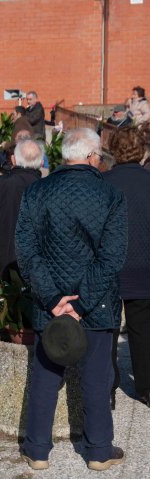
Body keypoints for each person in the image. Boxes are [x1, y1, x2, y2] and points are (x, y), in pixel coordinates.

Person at [15, 128, 127, 471]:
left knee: (46, 375)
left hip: (53, 303)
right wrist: (79, 304)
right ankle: (98, 451)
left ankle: (37, 450)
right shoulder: (110, 195)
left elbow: (26, 251)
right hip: (96, 303)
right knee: (97, 376)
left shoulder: (36, 192)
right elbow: (112, 257)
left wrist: (53, 300)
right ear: (92, 156)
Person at [104, 127, 150, 408]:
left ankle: (107, 385)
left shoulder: (103, 182)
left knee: (106, 328)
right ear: (142, 150)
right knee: (143, 330)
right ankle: (146, 388)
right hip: (144, 265)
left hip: (110, 265)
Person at [0, 139, 42, 286]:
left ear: (13, 159)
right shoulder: (46, 188)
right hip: (37, 268)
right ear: (41, 161)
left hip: (2, 263)